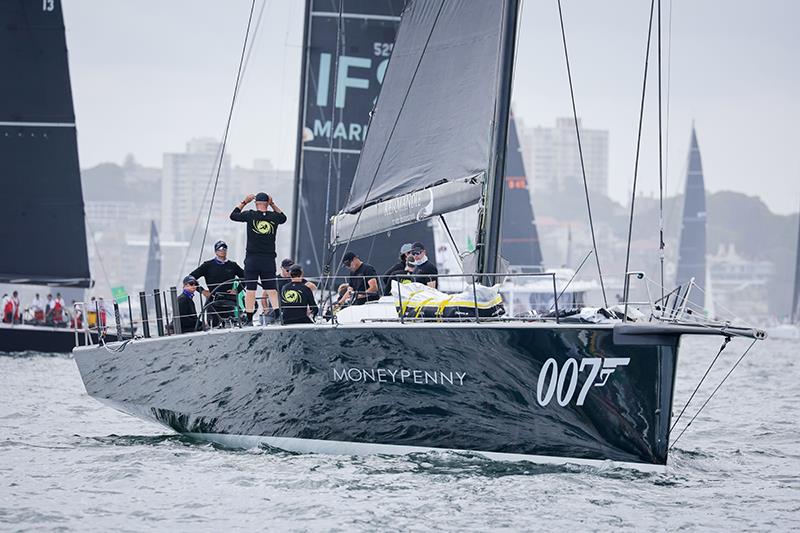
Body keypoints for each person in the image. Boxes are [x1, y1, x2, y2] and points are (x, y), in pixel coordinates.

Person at [230, 192, 287, 324]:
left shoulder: (250, 215)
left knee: (250, 289)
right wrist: (272, 204)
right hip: (268, 259)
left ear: (256, 204)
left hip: (252, 259)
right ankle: (279, 315)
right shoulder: (274, 217)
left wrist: (244, 202)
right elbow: (283, 218)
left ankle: (249, 319)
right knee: (271, 289)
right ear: (267, 203)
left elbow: (233, 216)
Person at [188, 240, 245, 326]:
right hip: (212, 301)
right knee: (213, 325)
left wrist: (237, 290)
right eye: (220, 249)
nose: (223, 250)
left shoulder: (232, 265)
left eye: (225, 248)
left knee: (231, 324)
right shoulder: (207, 265)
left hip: (228, 301)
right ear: (215, 251)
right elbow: (190, 278)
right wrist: (202, 291)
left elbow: (246, 278)